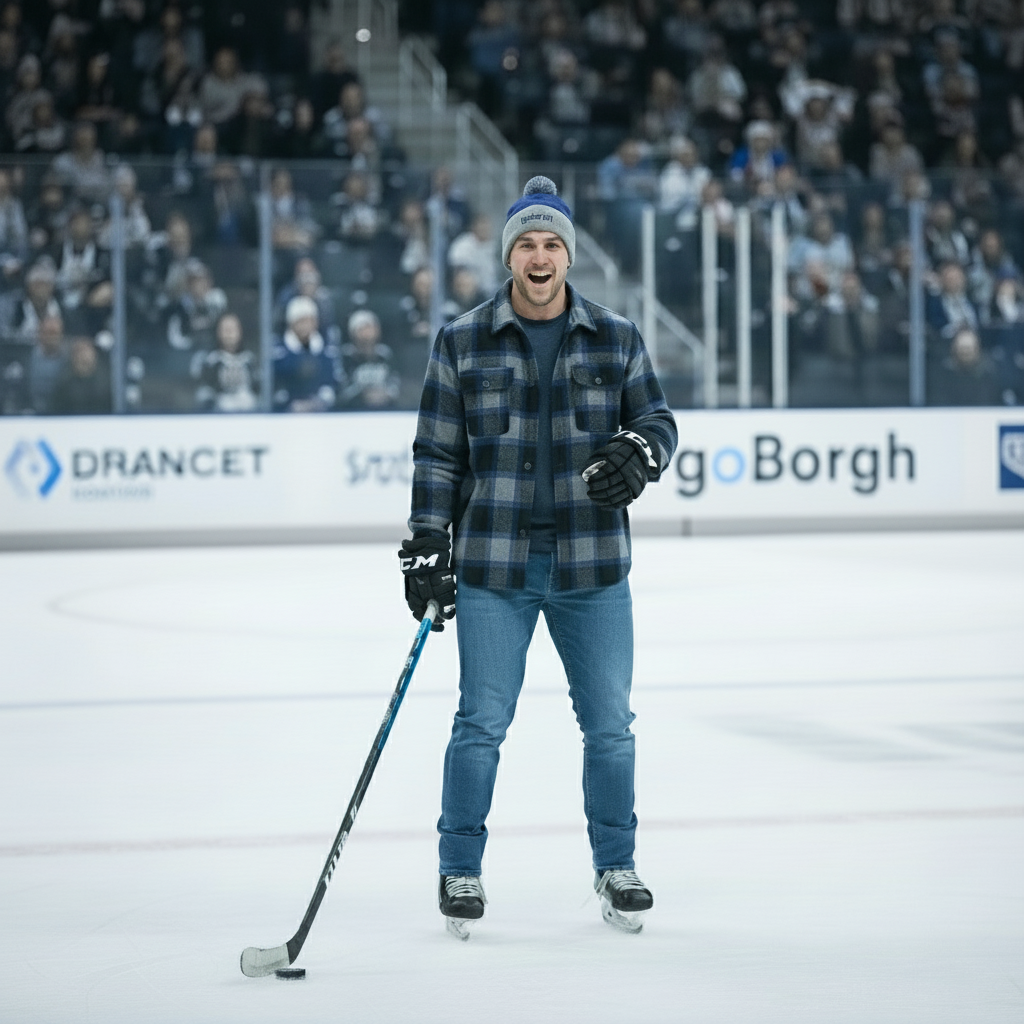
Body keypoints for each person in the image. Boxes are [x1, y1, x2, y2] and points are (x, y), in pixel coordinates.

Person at [399, 176, 678, 939]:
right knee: (481, 722)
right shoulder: (462, 340)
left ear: (569, 255)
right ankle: (460, 868)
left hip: (593, 568)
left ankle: (616, 865)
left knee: (611, 726)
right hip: (496, 567)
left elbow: (658, 419)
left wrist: (641, 449)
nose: (540, 255)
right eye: (526, 243)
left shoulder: (616, 337)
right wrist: (426, 542)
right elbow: (437, 454)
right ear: (509, 257)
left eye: (552, 242)